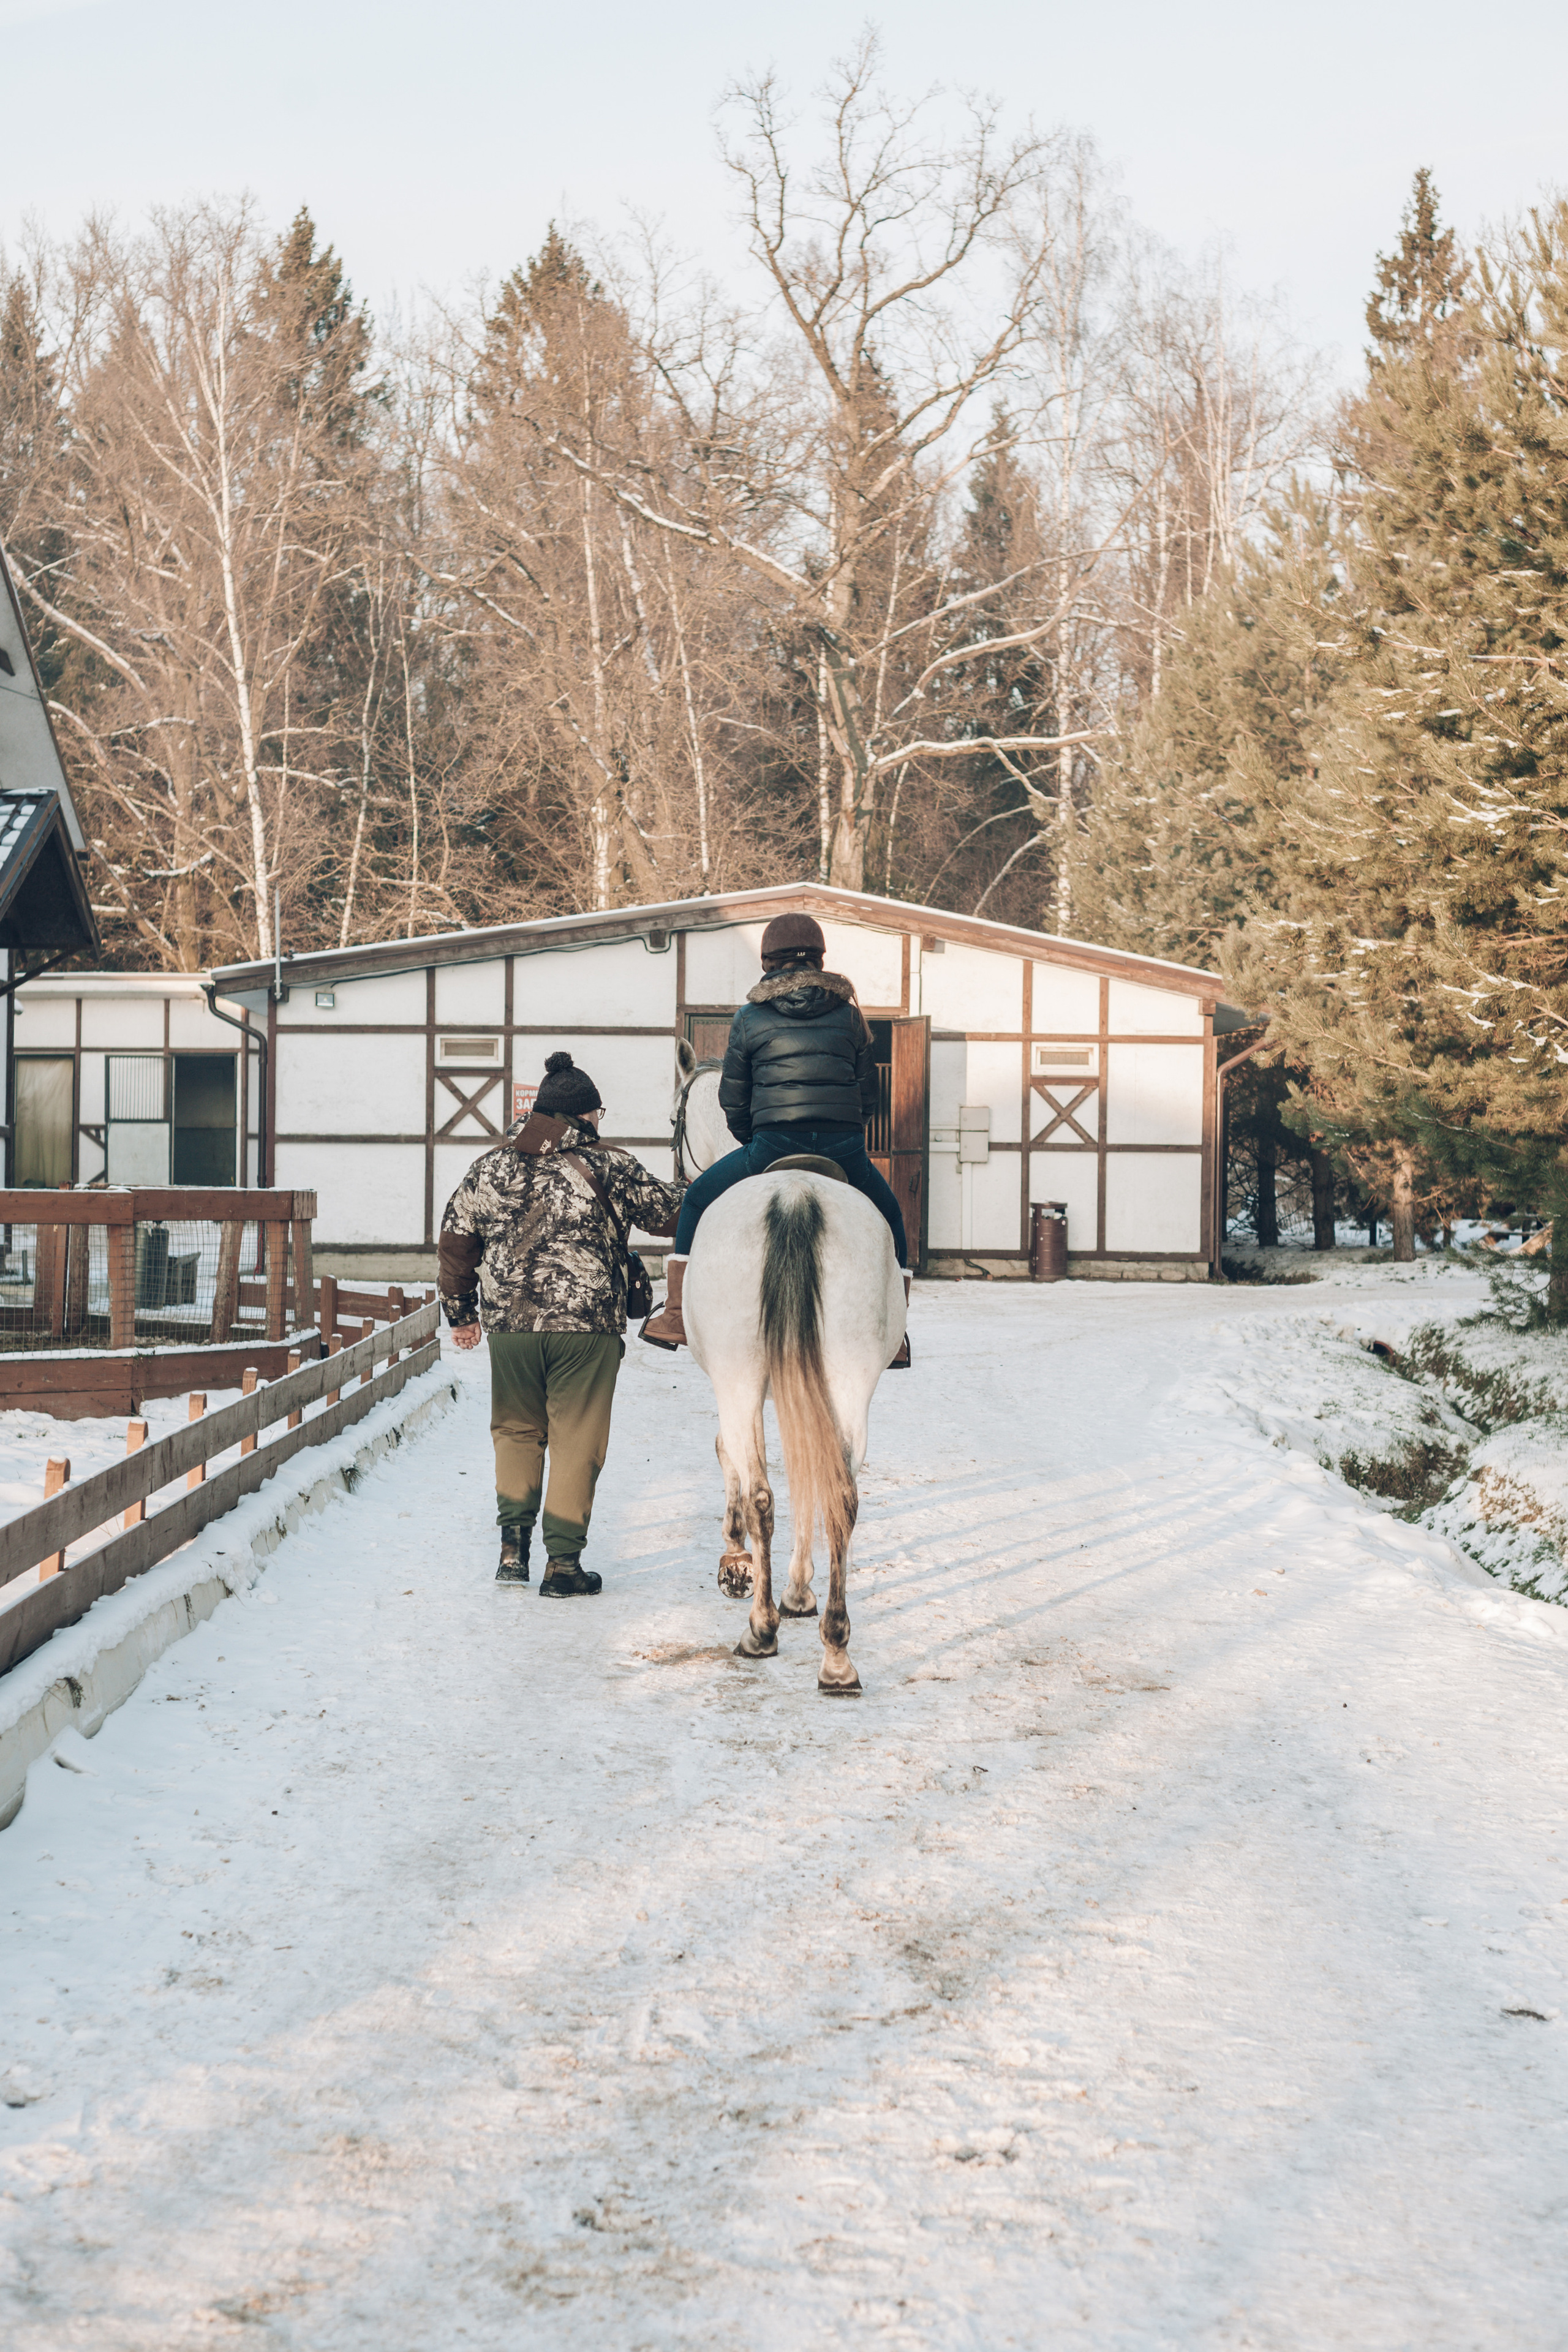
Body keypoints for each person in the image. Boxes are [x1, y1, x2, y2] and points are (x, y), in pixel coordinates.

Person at [439, 1050, 684, 1597]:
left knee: (516, 1430)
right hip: (587, 1327)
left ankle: (511, 1553)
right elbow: (672, 1216)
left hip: (510, 1328)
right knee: (577, 1440)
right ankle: (564, 1567)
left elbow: (456, 1241)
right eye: (600, 1114)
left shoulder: (491, 1166)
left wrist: (461, 1314)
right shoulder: (612, 1165)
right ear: (586, 1116)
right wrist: (708, 1179)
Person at [641, 912, 910, 1359]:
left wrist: (754, 1137)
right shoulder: (849, 1015)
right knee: (892, 1217)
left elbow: (733, 1098)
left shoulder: (750, 1017)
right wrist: (845, 1129)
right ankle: (896, 1330)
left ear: (768, 961)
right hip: (844, 1148)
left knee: (695, 1199)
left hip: (773, 1144)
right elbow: (869, 1097)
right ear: (820, 959)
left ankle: (674, 1312)